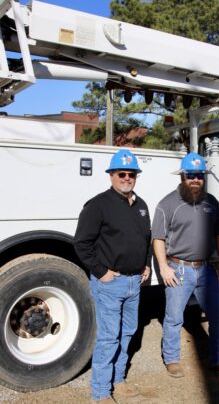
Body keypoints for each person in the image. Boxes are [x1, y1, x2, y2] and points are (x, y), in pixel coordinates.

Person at [74, 149, 151, 402]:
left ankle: (118, 380)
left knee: (128, 332)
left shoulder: (141, 206)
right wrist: (101, 272)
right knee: (108, 338)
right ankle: (101, 392)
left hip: (134, 283)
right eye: (122, 173)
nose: (127, 178)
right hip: (110, 283)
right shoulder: (97, 205)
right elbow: (82, 243)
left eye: (131, 174)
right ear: (111, 176)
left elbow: (145, 239)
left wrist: (146, 264)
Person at [152, 153, 219, 379]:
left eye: (199, 176)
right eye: (191, 176)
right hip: (178, 269)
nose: (195, 180)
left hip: (206, 269)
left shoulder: (212, 203)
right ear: (182, 177)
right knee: (174, 318)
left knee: (218, 316)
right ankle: (172, 359)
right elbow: (157, 238)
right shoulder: (167, 204)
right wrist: (163, 267)